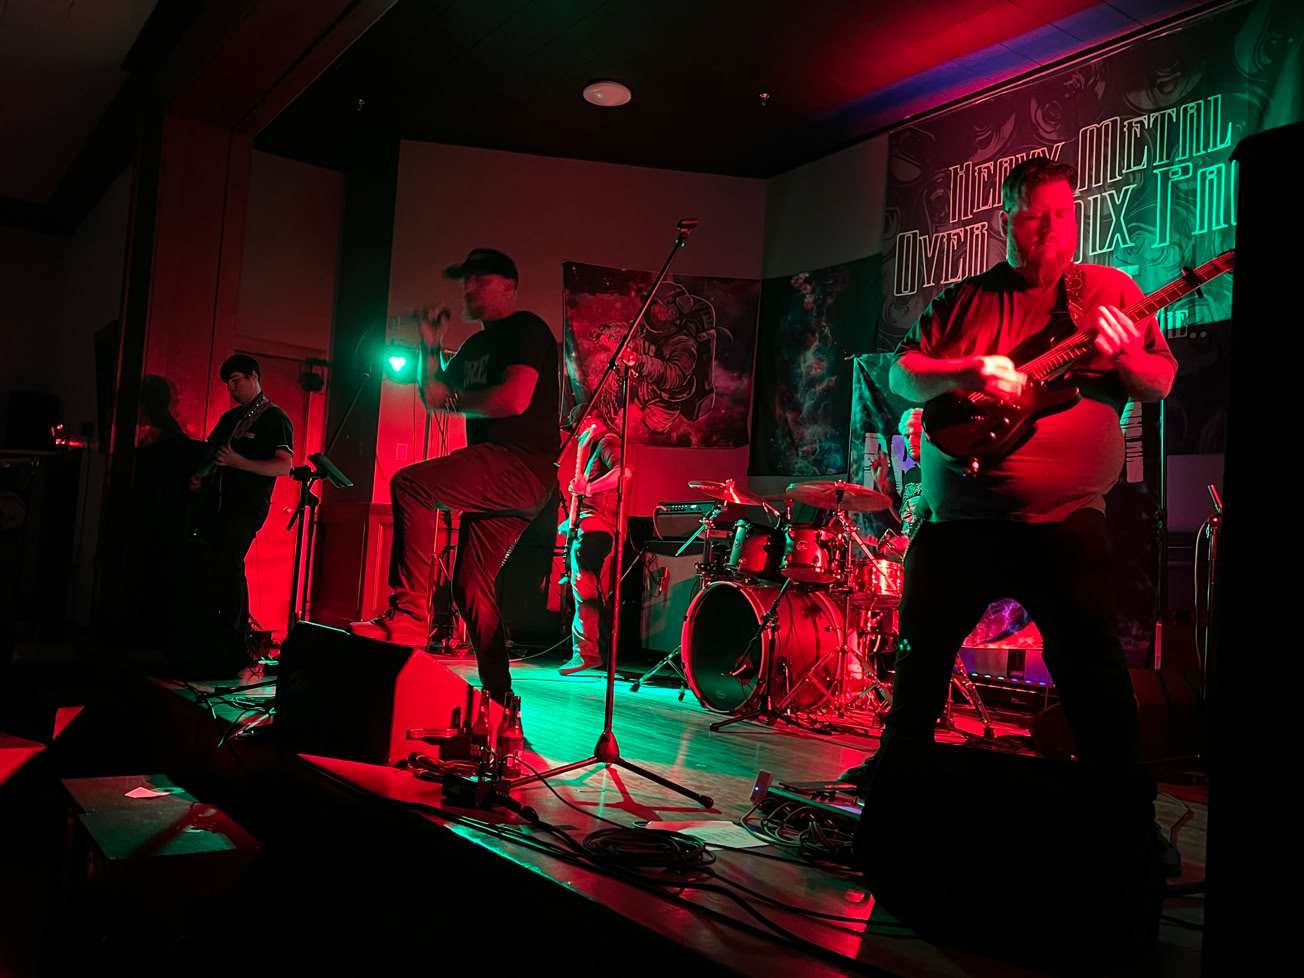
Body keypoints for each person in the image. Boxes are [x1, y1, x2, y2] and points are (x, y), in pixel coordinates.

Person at [847, 158, 1178, 859]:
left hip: (1065, 521)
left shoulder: (1109, 292)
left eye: (1061, 215)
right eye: (1033, 217)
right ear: (1006, 220)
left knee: (1093, 672)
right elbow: (903, 371)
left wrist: (1124, 359)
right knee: (920, 662)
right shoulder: (965, 300)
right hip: (958, 525)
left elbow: (1158, 380)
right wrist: (970, 369)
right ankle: (895, 789)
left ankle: (1127, 821)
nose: (1050, 231)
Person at [349, 249, 559, 706]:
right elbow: (432, 395)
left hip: (520, 464)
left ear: (508, 286)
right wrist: (430, 343)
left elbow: (514, 399)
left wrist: (455, 399)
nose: (468, 288)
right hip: (503, 472)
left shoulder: (526, 329)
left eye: (479, 280)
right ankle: (500, 700)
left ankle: (408, 616)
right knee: (470, 587)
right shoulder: (473, 349)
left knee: (411, 484)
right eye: (466, 280)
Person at [192, 355, 294, 659]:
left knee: (229, 562)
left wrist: (239, 462)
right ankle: (215, 634)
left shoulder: (275, 418)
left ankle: (235, 639)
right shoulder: (230, 418)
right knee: (214, 565)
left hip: (248, 505)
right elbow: (213, 452)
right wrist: (200, 475)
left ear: (253, 376)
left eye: (236, 380)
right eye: (228, 383)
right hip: (217, 503)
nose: (231, 388)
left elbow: (283, 465)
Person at [557, 394, 632, 676]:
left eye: (577, 427)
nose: (575, 434)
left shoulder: (607, 442)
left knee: (585, 589)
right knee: (589, 591)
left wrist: (587, 488)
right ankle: (594, 652)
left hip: (597, 527)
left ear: (590, 421)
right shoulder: (595, 448)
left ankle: (586, 654)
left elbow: (623, 473)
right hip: (592, 525)